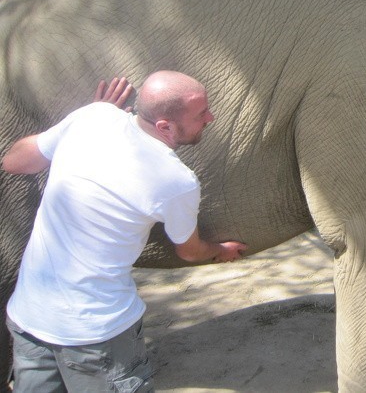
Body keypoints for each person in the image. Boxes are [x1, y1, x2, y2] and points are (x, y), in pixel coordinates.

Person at [2, 71, 247, 392]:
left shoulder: (92, 117)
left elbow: (13, 162)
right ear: (165, 127)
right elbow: (188, 250)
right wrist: (220, 250)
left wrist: (76, 124)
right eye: (202, 114)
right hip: (97, 337)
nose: (211, 118)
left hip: (28, 320)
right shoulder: (176, 180)